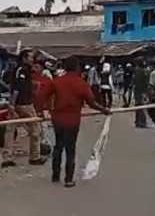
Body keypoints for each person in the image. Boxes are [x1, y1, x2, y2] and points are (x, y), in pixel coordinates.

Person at [43, 56, 109, 187]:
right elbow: (91, 103)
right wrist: (104, 110)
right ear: (77, 67)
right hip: (72, 121)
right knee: (70, 149)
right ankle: (68, 179)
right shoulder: (81, 83)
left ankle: (55, 176)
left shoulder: (57, 81)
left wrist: (49, 110)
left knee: (58, 147)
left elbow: (44, 96)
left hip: (58, 119)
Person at [2, 50, 47, 168]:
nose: (33, 60)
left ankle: (7, 158)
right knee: (35, 129)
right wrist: (12, 104)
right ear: (24, 58)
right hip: (24, 104)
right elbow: (17, 88)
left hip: (19, 103)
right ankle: (34, 157)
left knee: (10, 131)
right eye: (31, 57)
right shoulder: (21, 70)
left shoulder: (24, 70)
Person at [133, 59, 150, 127]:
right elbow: (146, 82)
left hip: (137, 91)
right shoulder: (143, 71)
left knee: (138, 106)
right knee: (142, 106)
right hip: (141, 91)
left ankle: (137, 121)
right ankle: (142, 122)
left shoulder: (136, 70)